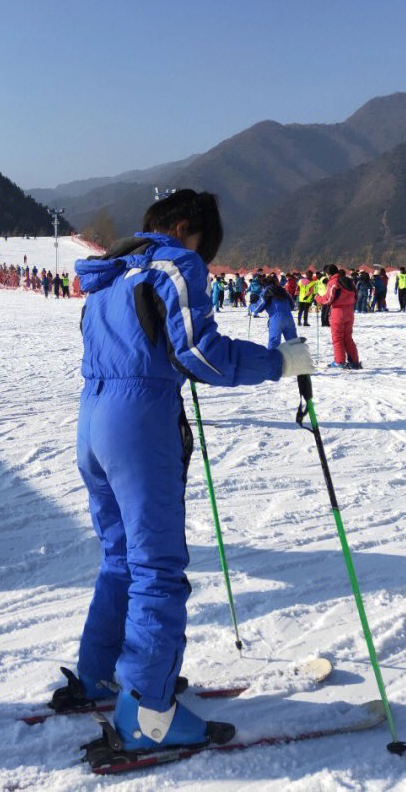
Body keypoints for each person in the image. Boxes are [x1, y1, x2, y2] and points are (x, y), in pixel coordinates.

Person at [58, 189, 315, 755]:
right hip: (136, 423)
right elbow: (200, 353)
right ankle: (148, 713)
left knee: (121, 557)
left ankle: (101, 673)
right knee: (157, 567)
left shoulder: (109, 275)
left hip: (92, 418)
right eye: (204, 244)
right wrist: (277, 362)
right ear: (182, 228)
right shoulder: (175, 261)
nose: (204, 255)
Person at [316, 265, 361, 369]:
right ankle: (354, 361)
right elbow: (356, 296)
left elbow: (328, 299)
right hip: (349, 311)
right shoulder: (349, 281)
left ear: (328, 273)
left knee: (337, 338)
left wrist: (317, 298)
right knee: (348, 338)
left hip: (338, 312)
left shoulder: (333, 282)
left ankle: (339, 362)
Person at [250, 275, 298, 350]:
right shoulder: (283, 290)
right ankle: (299, 357)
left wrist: (252, 306)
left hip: (276, 318)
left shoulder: (267, 291)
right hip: (288, 317)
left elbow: (258, 307)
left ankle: (273, 359)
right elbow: (292, 305)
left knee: (274, 342)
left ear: (265, 285)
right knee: (293, 341)